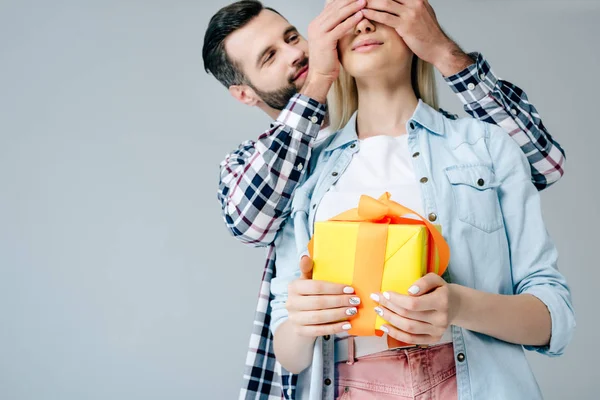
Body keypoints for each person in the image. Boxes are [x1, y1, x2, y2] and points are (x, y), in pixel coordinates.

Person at [201, 1, 568, 398]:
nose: (297, 53)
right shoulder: (297, 173)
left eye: (293, 37)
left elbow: (552, 308)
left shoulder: (484, 144)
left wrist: (458, 305)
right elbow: (287, 340)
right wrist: (303, 321)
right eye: (270, 56)